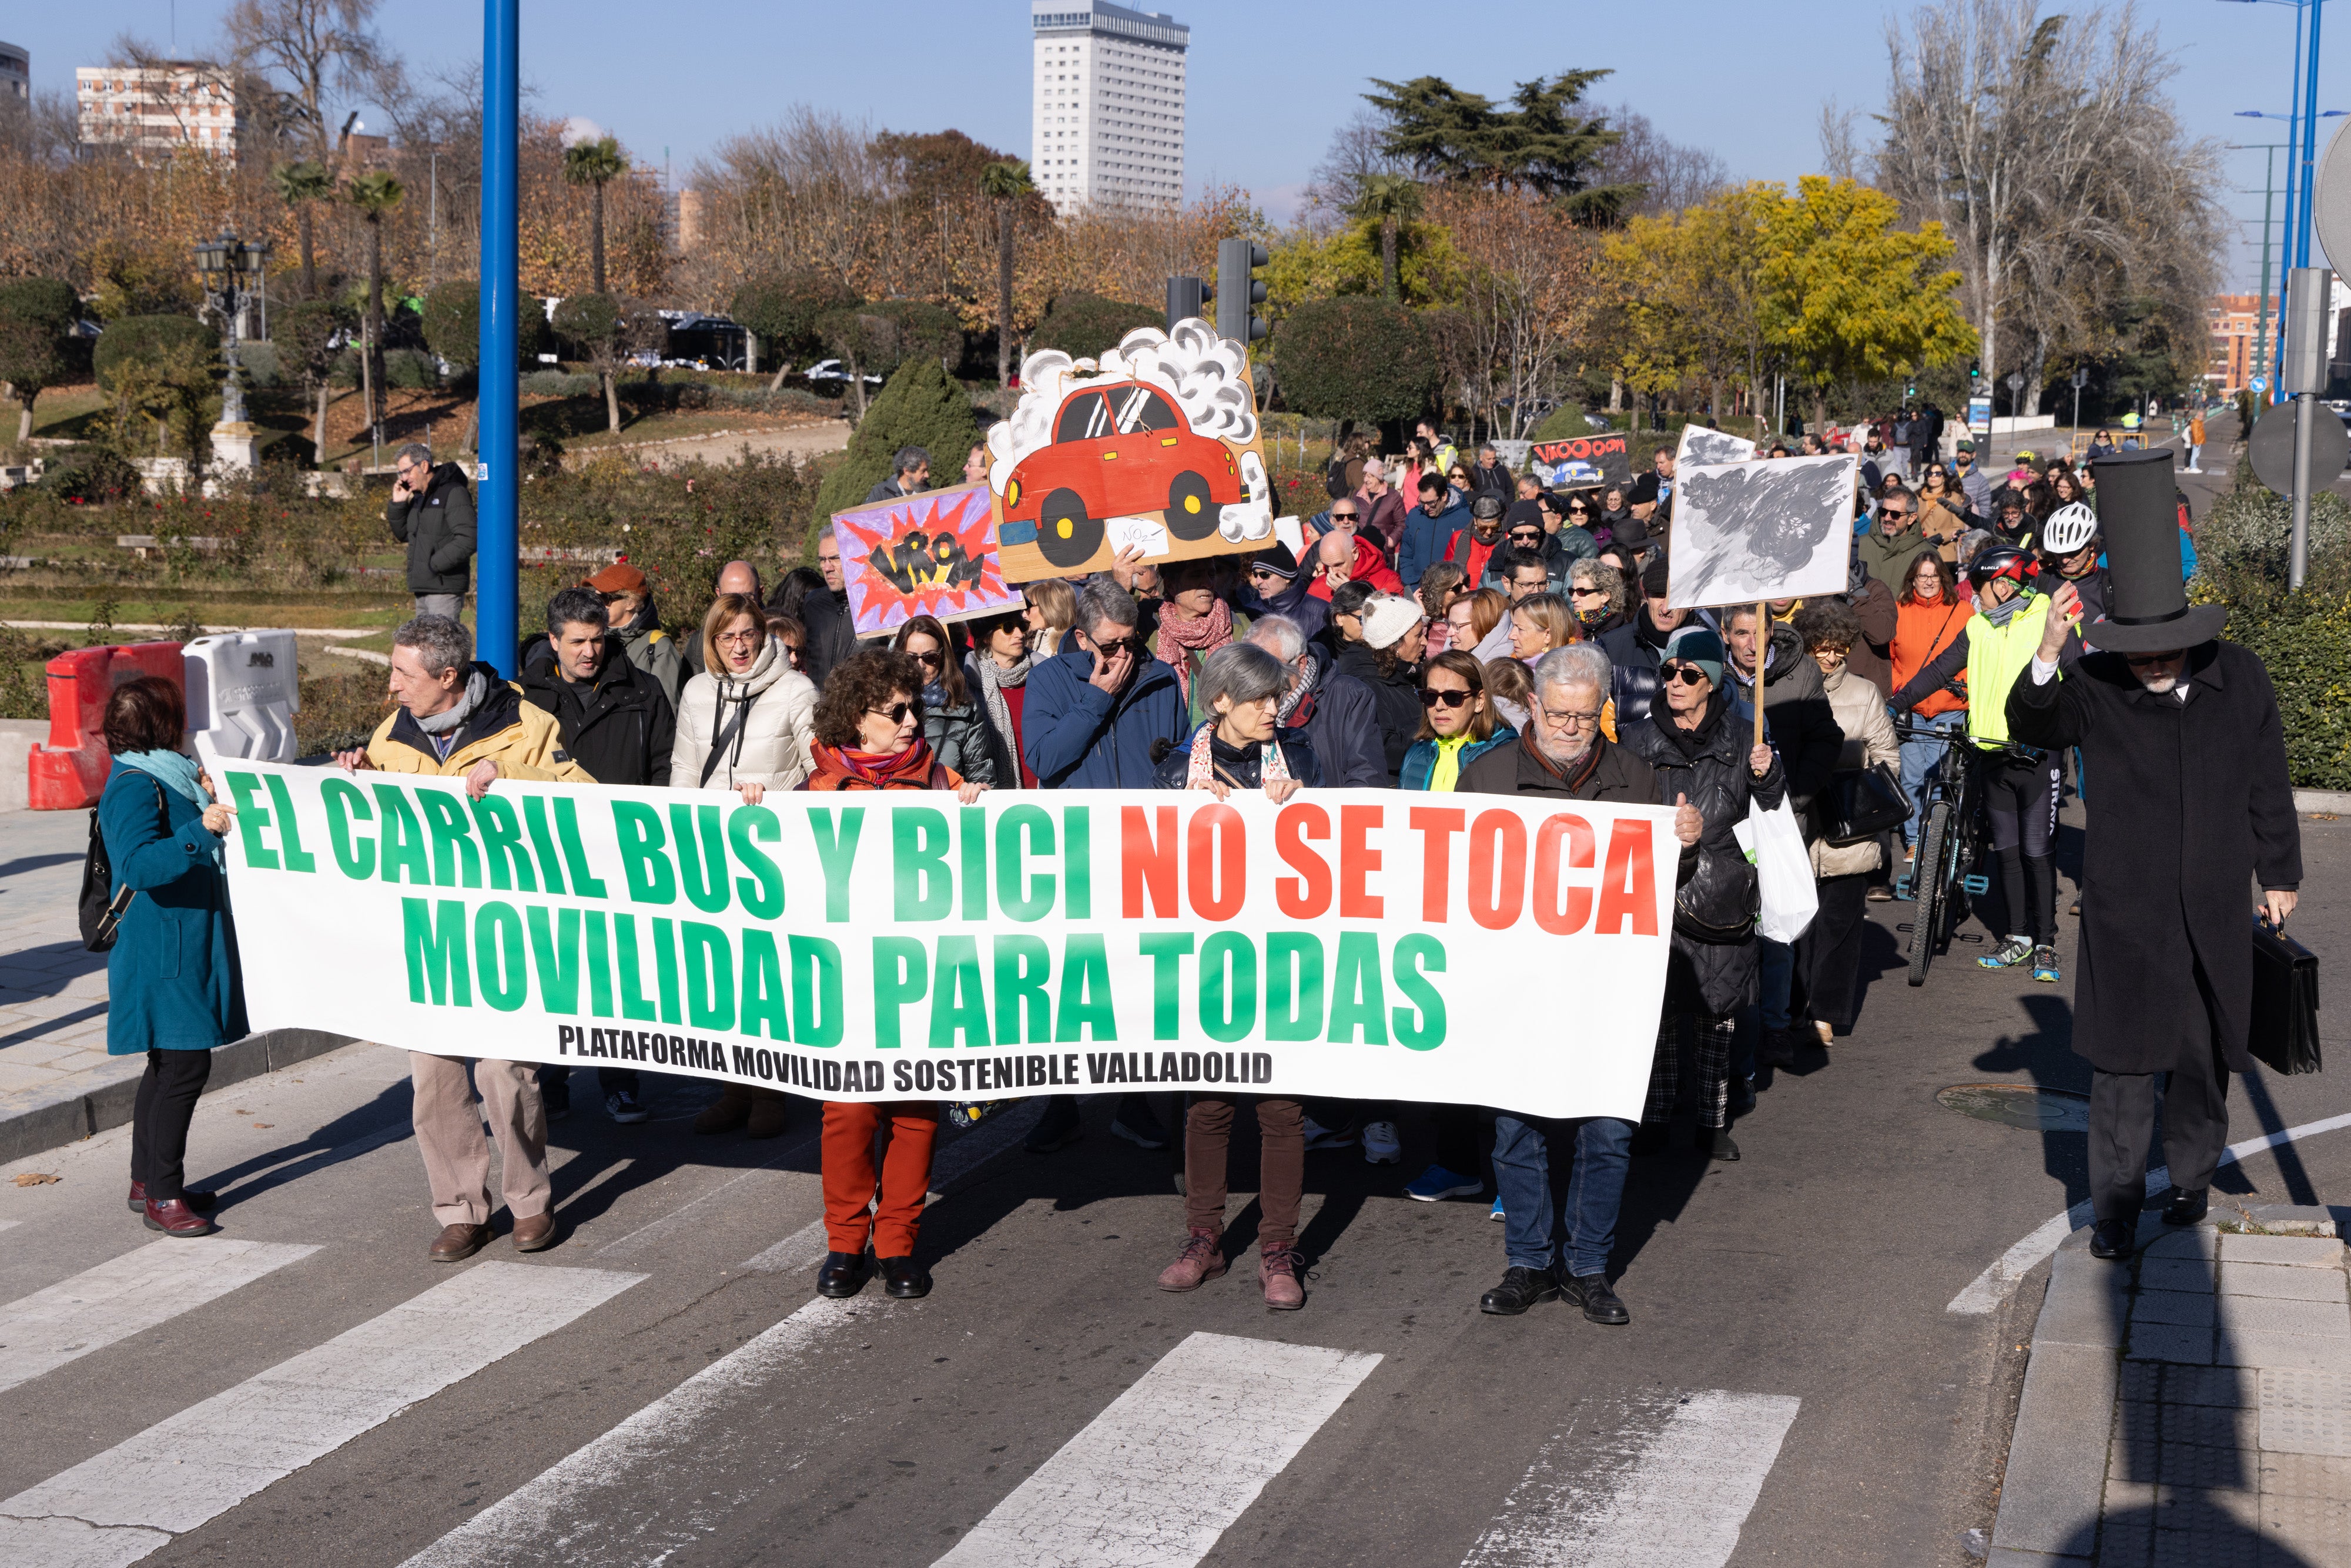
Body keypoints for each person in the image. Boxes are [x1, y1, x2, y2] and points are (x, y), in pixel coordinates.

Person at [2007, 447, 2300, 1257]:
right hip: (2126, 911)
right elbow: (2034, 726)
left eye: (2166, 646)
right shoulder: (2096, 684)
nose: (2154, 661)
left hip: (2212, 905)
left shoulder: (2239, 678)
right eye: (2139, 649)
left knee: (2204, 1063)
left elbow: (2268, 784)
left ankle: (2193, 1181)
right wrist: (2047, 649)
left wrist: (2280, 874)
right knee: (2124, 1071)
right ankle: (2116, 1209)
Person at [334, 615, 588, 1260]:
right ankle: (461, 1209)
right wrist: (358, 775)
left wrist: (512, 780)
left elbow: (583, 799)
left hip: (508, 928)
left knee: (506, 1073)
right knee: (436, 1077)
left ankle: (530, 1201)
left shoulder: (524, 724)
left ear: (448, 678)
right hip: (434, 933)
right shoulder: (393, 735)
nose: (391, 686)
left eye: (402, 673)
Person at [1464, 644, 1706, 1321]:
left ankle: (1590, 1266)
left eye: (1583, 716)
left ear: (1603, 709)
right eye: (1558, 715)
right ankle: (1529, 1261)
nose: (1569, 728)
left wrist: (1682, 847)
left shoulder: (1636, 777)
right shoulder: (1485, 780)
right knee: (1517, 1129)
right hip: (1516, 983)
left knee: (1606, 1131)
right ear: (1534, 705)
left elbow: (1662, 889)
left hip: (1607, 988)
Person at [807, 649, 989, 1302]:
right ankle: (843, 1243)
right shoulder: (815, 789)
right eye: (898, 712)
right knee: (850, 1112)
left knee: (915, 1109)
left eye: (916, 707)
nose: (914, 721)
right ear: (858, 719)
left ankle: (897, 1243)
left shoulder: (941, 782)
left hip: (923, 973)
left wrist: (979, 812)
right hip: (848, 979)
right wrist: (751, 807)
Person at [1151, 642, 1319, 1309]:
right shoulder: (1173, 772)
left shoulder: (1299, 758)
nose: (1273, 709)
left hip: (1281, 959)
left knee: (1282, 1110)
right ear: (1220, 701)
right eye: (1258, 699)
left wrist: (1303, 804)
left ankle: (1278, 1247)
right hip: (1205, 960)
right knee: (1209, 1106)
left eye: (1277, 696)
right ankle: (1204, 1239)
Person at [1020, 579, 1188, 1152]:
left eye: (1130, 643)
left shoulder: (1161, 678)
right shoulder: (1047, 679)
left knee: (1140, 982)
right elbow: (1042, 758)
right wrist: (1094, 698)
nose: (1122, 655)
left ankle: (1135, 1102)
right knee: (1074, 985)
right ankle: (1061, 1102)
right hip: (1076, 855)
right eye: (1109, 644)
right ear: (1080, 637)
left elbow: (1182, 758)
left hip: (1147, 854)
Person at [1620, 627, 1783, 1162]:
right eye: (1669, 672)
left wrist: (1769, 773)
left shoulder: (1745, 737)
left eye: (1690, 674)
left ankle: (1713, 1122)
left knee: (1719, 1013)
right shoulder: (1638, 741)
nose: (1676, 682)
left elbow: (1772, 809)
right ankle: (1657, 1115)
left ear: (1712, 683)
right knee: (1661, 1012)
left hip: (1724, 892)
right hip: (1657, 887)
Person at [521, 587, 679, 1125]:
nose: (590, 652)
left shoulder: (644, 688)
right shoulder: (526, 696)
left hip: (623, 850)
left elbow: (665, 763)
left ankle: (620, 1082)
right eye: (578, 642)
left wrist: (651, 831)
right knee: (555, 968)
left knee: (618, 975)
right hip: (552, 852)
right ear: (553, 641)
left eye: (598, 640)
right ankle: (553, 1080)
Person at [100, 676, 244, 1238]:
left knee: (166, 1066)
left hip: (180, 937)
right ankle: (163, 1196)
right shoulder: (136, 785)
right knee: (184, 1066)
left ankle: (147, 1181)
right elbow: (137, 866)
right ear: (160, 723)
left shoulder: (165, 771)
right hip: (165, 947)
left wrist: (202, 796)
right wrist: (197, 829)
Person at [1891, 545, 2064, 982]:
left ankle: (2046, 944)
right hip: (1992, 752)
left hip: (2038, 757)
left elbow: (2074, 680)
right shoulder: (1978, 626)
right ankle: (2018, 938)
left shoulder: (2048, 616)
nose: (1972, 594)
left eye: (1978, 586)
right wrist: (1894, 704)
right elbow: (1937, 670)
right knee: (2006, 853)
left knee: (2036, 853)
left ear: (2003, 585)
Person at [1721, 602, 1844, 1070]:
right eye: (1741, 634)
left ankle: (1775, 1025)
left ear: (1773, 632)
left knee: (1777, 927)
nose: (1752, 644)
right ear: (1726, 636)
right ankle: (1727, 1021)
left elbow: (1826, 739)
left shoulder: (1801, 673)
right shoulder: (1710, 675)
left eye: (1760, 633)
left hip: (1782, 816)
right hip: (1728, 820)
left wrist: (1796, 795)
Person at [1791, 601, 1897, 1041]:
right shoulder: (1785, 688)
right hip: (1797, 828)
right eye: (1822, 648)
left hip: (1849, 829)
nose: (1832, 658)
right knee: (1795, 927)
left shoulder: (1865, 692)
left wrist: (1846, 765)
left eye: (1840, 649)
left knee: (1840, 926)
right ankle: (1790, 1009)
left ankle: (1825, 1012)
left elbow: (1889, 759)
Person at [671, 592, 818, 804]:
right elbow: (685, 770)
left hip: (774, 828)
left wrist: (773, 799)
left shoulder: (798, 691)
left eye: (748, 635)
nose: (739, 648)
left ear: (761, 635)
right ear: (713, 641)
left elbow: (822, 773)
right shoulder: (695, 691)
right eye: (728, 638)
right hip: (712, 829)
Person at [1888, 550, 1971, 857]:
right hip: (1911, 709)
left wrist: (1966, 688)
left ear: (1943, 579)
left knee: (1939, 777)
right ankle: (1913, 841)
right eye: (1922, 576)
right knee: (1911, 776)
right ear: (1912, 579)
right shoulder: (1898, 611)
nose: (1928, 582)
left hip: (1950, 707)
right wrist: (1900, 689)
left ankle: (1935, 838)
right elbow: (1892, 659)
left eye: (1934, 576)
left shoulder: (1963, 611)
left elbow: (1973, 656)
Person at [1245, 613, 1385, 789]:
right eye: (1251, 667)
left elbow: (1367, 777)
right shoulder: (1243, 703)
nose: (1258, 676)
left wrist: (1312, 801)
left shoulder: (1350, 696)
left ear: (1301, 664)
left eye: (1271, 667)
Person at [1331, 589, 1427, 783]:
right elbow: (1385, 750)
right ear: (1395, 645)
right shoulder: (1368, 685)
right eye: (1418, 636)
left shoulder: (1401, 673)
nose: (1425, 642)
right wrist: (1431, 728)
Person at [894, 615, 998, 785]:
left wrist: (977, 789)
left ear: (943, 657)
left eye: (930, 657)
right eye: (911, 658)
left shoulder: (965, 710)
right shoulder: (880, 707)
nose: (920, 665)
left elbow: (982, 778)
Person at [568, 560, 686, 706]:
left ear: (631, 602)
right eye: (595, 597)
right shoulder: (592, 641)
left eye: (605, 598)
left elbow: (666, 710)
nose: (597, 604)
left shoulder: (659, 647)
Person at [1149, 556, 1246, 727]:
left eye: (1211, 574)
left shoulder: (1239, 626)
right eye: (1195, 575)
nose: (1208, 583)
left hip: (1225, 744)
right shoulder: (1152, 633)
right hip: (1175, 744)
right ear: (1171, 586)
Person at [385, 441, 477, 621]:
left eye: (406, 471)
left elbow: (469, 537)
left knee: (442, 646)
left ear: (424, 466)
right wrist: (398, 504)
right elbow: (404, 534)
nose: (403, 478)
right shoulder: (418, 499)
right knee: (424, 647)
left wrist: (434, 565)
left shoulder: (453, 492)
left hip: (444, 588)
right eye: (400, 473)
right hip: (423, 587)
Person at [1598, 559, 1684, 728]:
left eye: (1675, 597)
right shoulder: (1611, 648)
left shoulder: (1708, 648)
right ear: (1646, 596)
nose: (1665, 608)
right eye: (1658, 596)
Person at [964, 609, 1036, 789]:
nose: (1019, 634)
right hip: (998, 798)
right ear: (987, 637)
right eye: (1009, 628)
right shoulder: (970, 686)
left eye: (1022, 625)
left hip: (1046, 791)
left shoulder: (1043, 675)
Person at [684, 560, 764, 675]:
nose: (739, 605)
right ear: (718, 594)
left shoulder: (779, 637)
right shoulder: (698, 644)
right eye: (729, 598)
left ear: (760, 594)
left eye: (747, 597)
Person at [802, 530, 858, 687]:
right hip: (818, 706)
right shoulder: (813, 604)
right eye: (822, 560)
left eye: (834, 559)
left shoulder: (877, 607)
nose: (827, 568)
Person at [1396, 471, 1469, 587]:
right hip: (1417, 588)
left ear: (1444, 496)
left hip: (1450, 589)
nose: (1426, 508)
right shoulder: (1415, 516)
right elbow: (1406, 554)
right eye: (1422, 502)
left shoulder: (1465, 518)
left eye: (1431, 503)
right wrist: (1410, 582)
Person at [1857, 484, 1930, 582]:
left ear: (1911, 518)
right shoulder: (1860, 546)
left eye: (1895, 514)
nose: (1887, 518)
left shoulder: (1927, 554)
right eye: (1883, 511)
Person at [1443, 493, 1510, 587]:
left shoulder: (1508, 540)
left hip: (1495, 598)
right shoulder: (1457, 538)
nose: (1489, 532)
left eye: (1495, 527)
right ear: (1475, 521)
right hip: (1465, 597)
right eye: (1483, 528)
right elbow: (1447, 573)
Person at [1508, 591, 1577, 664]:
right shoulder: (1510, 668)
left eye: (1520, 629)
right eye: (1514, 626)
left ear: (1547, 635)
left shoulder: (1575, 671)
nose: (1511, 636)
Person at [1354, 458, 1407, 552]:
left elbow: (1402, 523)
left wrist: (1391, 540)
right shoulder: (1357, 496)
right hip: (1361, 550)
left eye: (1370, 476)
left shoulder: (1393, 496)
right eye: (1365, 476)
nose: (1366, 480)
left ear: (1378, 477)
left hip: (1383, 551)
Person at [1415, 561, 1469, 651]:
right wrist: (1423, 620)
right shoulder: (1427, 627)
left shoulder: (1474, 619)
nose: (1466, 590)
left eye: (1467, 583)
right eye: (1457, 588)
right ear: (1439, 594)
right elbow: (1414, 653)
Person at [1567, 559, 1627, 638]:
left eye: (1581, 592)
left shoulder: (1623, 634)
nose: (1573, 599)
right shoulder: (1566, 630)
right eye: (1572, 591)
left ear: (1605, 596)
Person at [1023, 575, 1077, 657]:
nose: (1024, 614)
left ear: (1050, 610)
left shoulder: (1067, 649)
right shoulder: (1023, 642)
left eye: (1028, 608)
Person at [864, 444, 931, 504]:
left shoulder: (928, 491)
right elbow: (866, 516)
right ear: (907, 471)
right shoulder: (881, 492)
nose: (927, 475)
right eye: (923, 471)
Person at [1953, 443, 1992, 517]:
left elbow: (1985, 510)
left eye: (1967, 452)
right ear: (1957, 453)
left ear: (1973, 455)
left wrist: (1975, 527)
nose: (1964, 455)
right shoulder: (1946, 475)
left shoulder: (1981, 481)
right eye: (1961, 451)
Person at [2185, 408, 2206, 473]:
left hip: (2200, 441)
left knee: (2196, 455)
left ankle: (2195, 466)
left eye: (2202, 416)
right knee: (2194, 454)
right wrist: (2197, 442)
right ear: (2198, 415)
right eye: (2200, 416)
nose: (2201, 417)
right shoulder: (2196, 422)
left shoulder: (2199, 422)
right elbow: (2195, 433)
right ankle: (2192, 467)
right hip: (2197, 441)